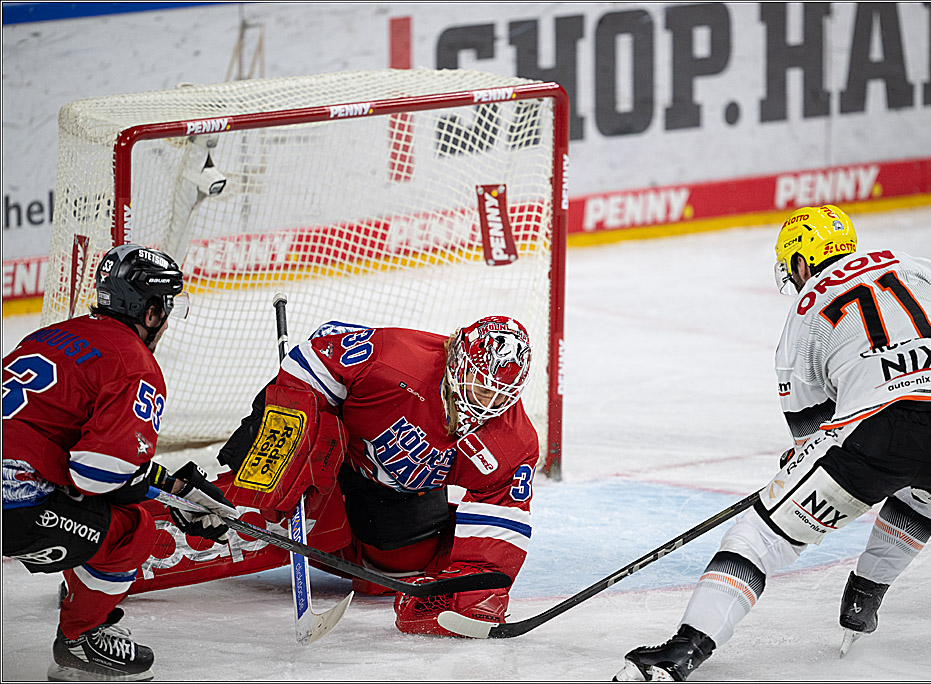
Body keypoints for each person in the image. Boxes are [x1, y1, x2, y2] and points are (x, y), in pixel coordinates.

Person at [615, 205, 931, 681]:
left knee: (761, 536)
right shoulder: (913, 265)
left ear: (803, 262)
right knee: (927, 489)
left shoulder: (803, 317)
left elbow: (813, 433)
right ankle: (865, 595)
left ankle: (685, 650)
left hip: (884, 432)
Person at [127, 315, 539, 636]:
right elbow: (312, 360)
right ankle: (116, 547)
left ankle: (356, 551)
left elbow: (504, 512)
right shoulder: (396, 357)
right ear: (454, 357)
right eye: (478, 384)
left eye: (499, 395)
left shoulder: (514, 441)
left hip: (395, 511)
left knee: (402, 574)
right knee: (276, 487)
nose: (484, 402)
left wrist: (477, 583)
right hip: (333, 472)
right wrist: (279, 443)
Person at [2, 244, 239, 682]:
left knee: (83, 499)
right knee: (133, 527)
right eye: (167, 307)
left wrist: (174, 488)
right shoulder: (135, 364)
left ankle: (82, 591)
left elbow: (62, 448)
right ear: (150, 312)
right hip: (13, 509)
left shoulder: (50, 335)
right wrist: (171, 498)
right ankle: (80, 640)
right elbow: (96, 473)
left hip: (17, 485)